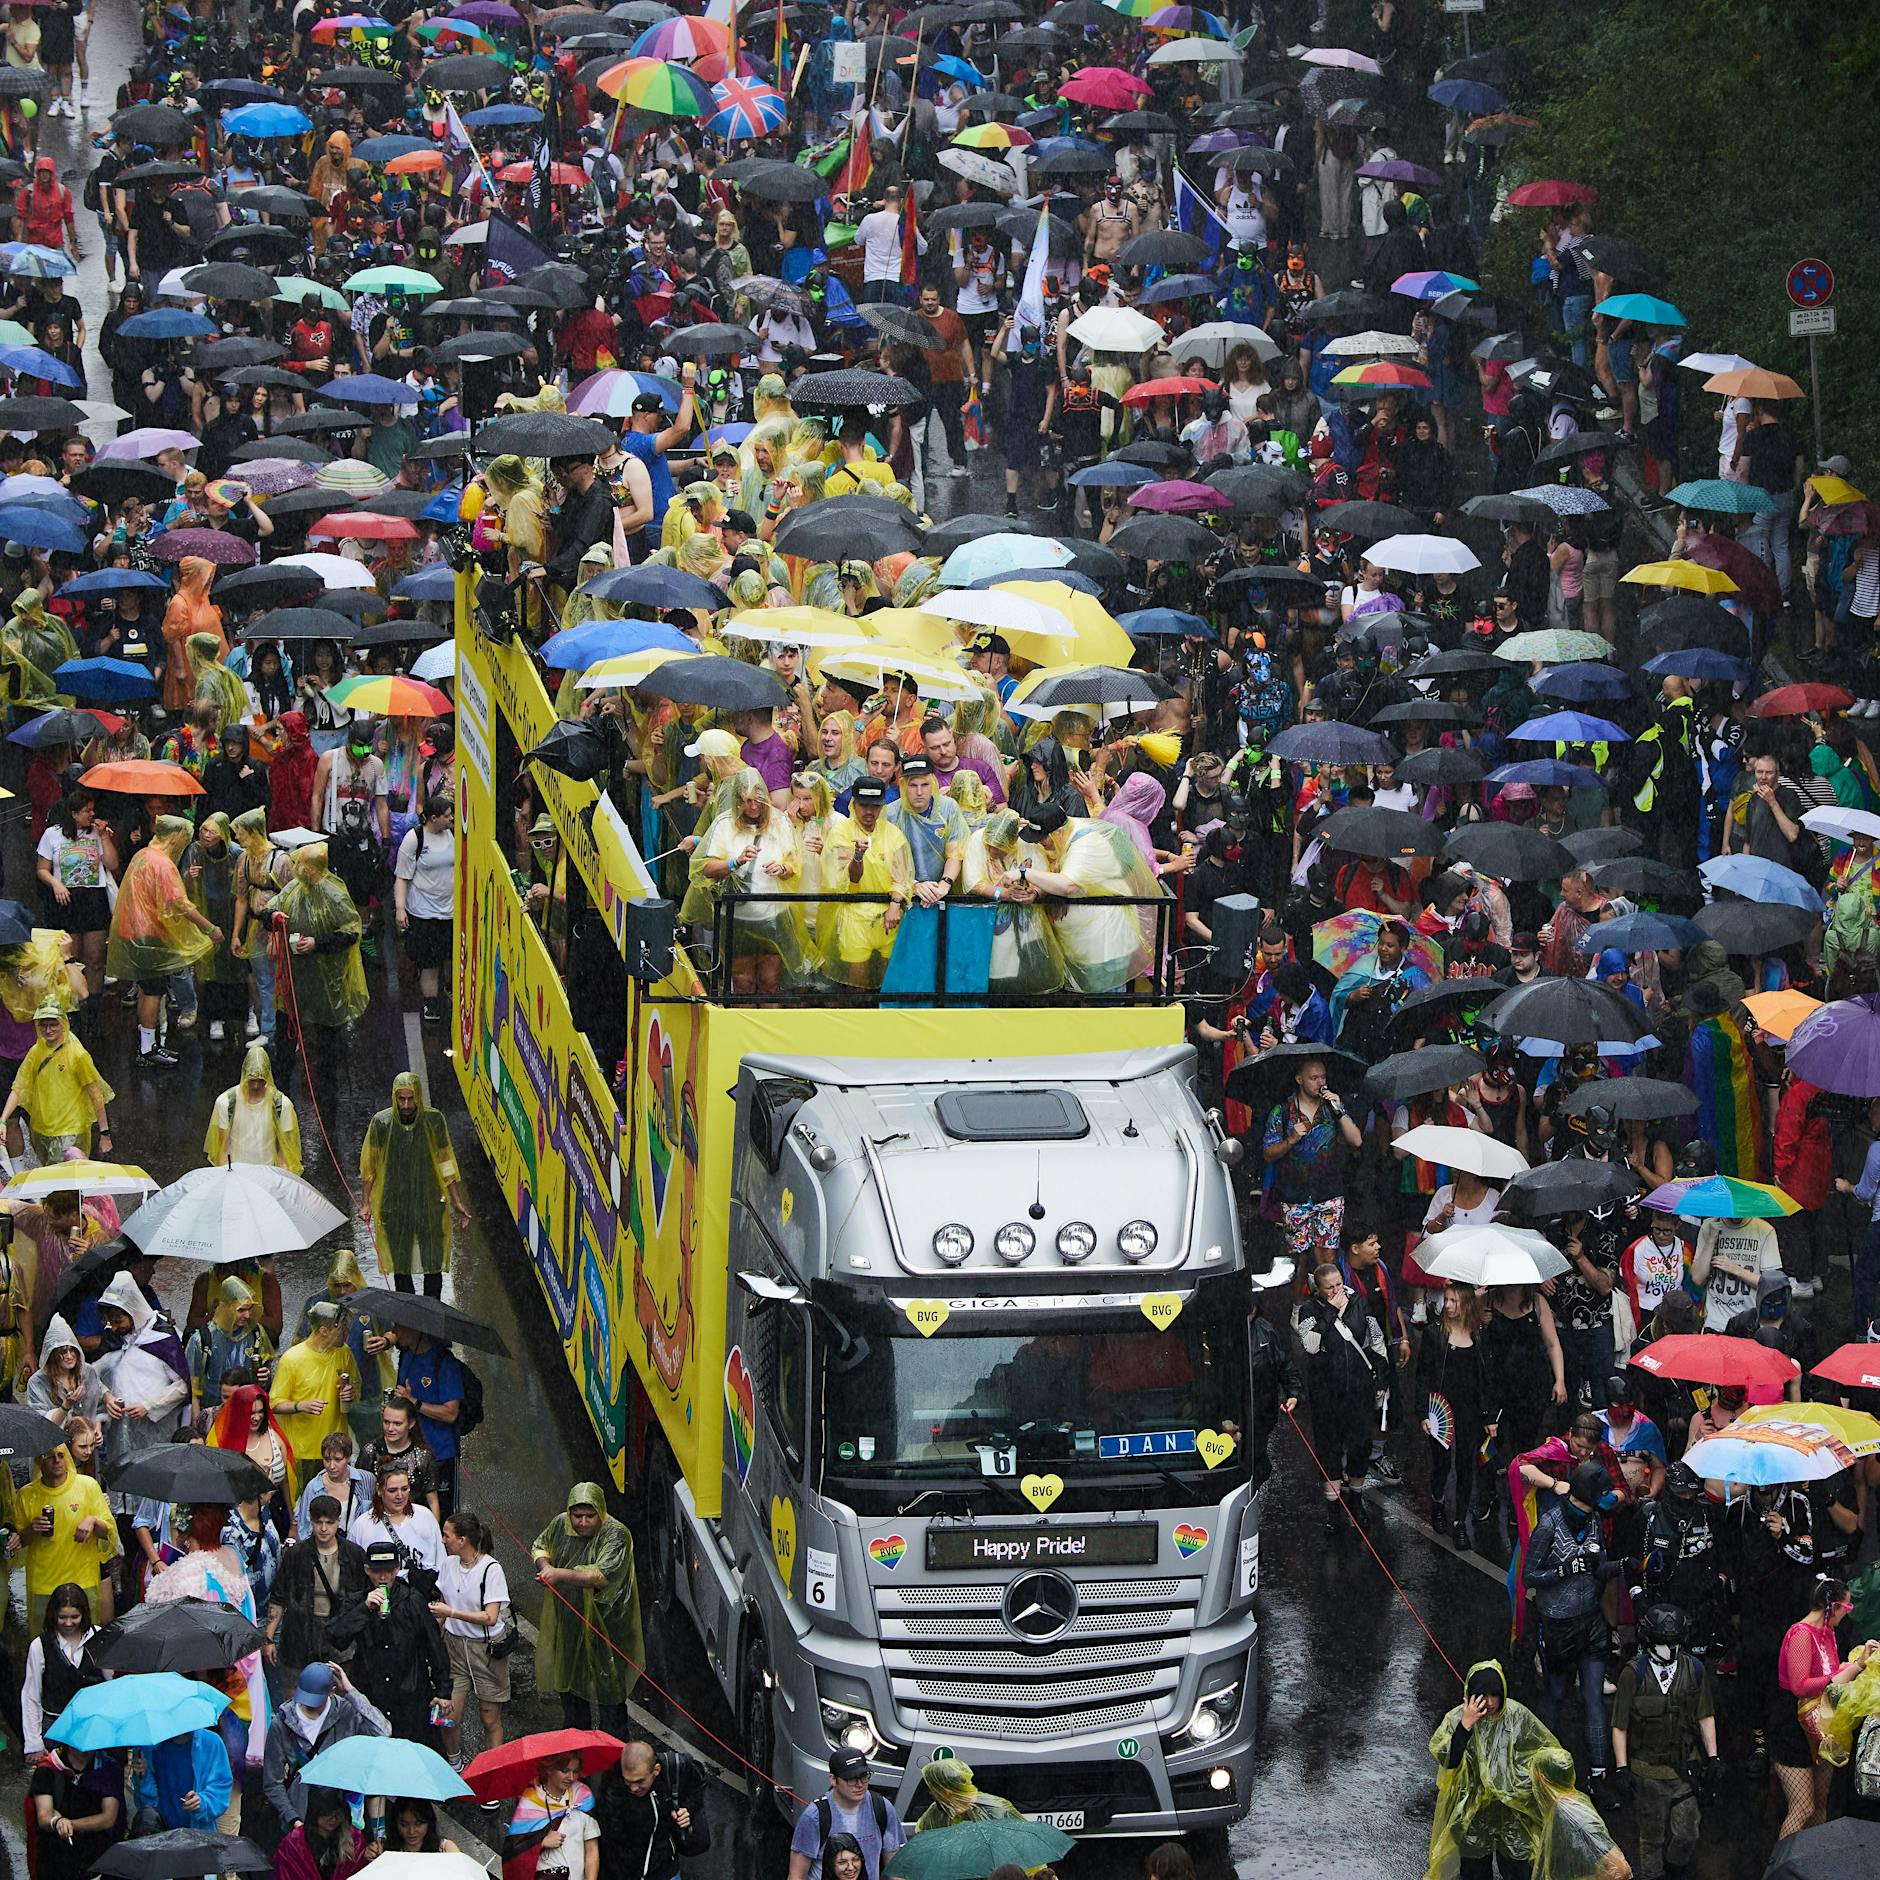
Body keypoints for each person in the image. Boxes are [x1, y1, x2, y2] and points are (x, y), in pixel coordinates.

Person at [1524, 1460, 1622, 1781]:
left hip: (1591, 1623)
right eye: (1603, 1493)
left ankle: (1599, 1775)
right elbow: (1529, 1577)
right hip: (1558, 1625)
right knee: (1555, 1695)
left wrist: (1628, 1565)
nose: (1608, 1499)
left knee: (1593, 1697)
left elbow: (1600, 1567)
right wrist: (1565, 1570)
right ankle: (1541, 1769)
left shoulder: (1594, 1520)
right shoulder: (1549, 1525)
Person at [1608, 1603, 1720, 1880]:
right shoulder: (1632, 1675)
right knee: (1651, 1838)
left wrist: (1714, 1756)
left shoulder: (1694, 1670)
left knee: (1688, 1833)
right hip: (1646, 1772)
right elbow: (1619, 1725)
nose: (1667, 1649)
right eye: (1661, 1643)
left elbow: (1705, 1715)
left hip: (1685, 1769)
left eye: (1672, 1643)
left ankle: (1674, 1868)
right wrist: (1622, 1768)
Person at [1426, 1660, 1563, 1880]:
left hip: (1512, 1812)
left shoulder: (1517, 1715)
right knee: (1475, 1872)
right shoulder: (1456, 1719)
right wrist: (1466, 1726)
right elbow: (1448, 1760)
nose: (1489, 1702)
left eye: (1494, 1695)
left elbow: (1543, 1748)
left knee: (1518, 1870)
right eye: (1482, 1695)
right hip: (1472, 1814)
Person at [530, 1481, 642, 1736]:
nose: (582, 1522)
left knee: (610, 1692)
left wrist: (557, 1573)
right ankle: (576, 1750)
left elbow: (601, 1576)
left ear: (601, 1512)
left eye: (589, 1516)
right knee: (571, 1688)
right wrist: (545, 1565)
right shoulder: (560, 1524)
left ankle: (613, 1755)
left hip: (609, 1626)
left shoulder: (617, 1535)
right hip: (570, 1620)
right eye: (577, 1515)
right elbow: (540, 1545)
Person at [106, 814, 218, 1068]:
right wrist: (209, 928)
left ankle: (148, 1044)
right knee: (153, 991)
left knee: (147, 989)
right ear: (176, 836)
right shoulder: (163, 864)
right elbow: (179, 903)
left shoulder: (143, 855)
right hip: (149, 936)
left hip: (133, 931)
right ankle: (147, 1049)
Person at [1294, 1261, 1389, 1533]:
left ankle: (1357, 1498)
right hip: (1326, 1393)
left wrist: (1381, 1377)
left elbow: (1376, 1340)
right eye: (1330, 1288)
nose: (1337, 1290)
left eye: (1339, 1284)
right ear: (1319, 1290)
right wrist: (1331, 1313)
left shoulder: (1360, 1303)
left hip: (1359, 1390)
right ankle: (1333, 1508)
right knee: (1329, 1448)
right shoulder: (1310, 1311)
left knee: (1360, 1444)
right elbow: (1310, 1345)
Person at [323, 1538, 449, 1743]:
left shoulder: (412, 1599)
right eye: (377, 1571)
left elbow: (434, 1646)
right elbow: (336, 1637)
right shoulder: (356, 1600)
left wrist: (443, 1690)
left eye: (389, 1571)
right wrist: (364, 1609)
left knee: (412, 1751)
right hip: (372, 1691)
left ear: (398, 1569)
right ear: (367, 1570)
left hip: (410, 1693)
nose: (383, 1577)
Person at [359, 1072, 472, 1297]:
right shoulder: (381, 1123)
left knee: (433, 1263)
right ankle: (409, 1321)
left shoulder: (434, 1120)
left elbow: (445, 1161)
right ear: (394, 1098)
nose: (407, 1105)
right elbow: (369, 1167)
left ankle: (432, 1314)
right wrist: (366, 1203)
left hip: (430, 1202)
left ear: (419, 1096)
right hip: (394, 1203)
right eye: (401, 1099)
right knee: (400, 1267)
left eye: (411, 1099)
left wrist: (457, 1201)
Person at [261, 1662, 391, 1837]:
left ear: (332, 1691)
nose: (309, 1705)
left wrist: (351, 1691)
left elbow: (382, 1732)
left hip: (343, 1818)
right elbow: (272, 1783)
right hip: (302, 1820)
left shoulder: (347, 1711)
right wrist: (293, 1819)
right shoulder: (282, 1723)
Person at [431, 1509, 511, 1769]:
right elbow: (443, 1603)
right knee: (449, 1714)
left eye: (447, 1535)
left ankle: (492, 1771)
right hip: (454, 1647)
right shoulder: (448, 1564)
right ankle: (454, 1763)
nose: (443, 1540)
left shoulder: (491, 1569)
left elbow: (490, 1617)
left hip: (485, 1651)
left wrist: (451, 1613)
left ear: (463, 1539)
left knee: (490, 1719)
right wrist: (436, 1633)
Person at [268, 1494, 369, 1687]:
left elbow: (364, 1597)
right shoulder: (296, 1555)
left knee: (342, 1694)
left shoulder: (355, 1554)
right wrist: (269, 1637)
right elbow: (278, 1597)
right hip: (300, 1634)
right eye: (318, 1522)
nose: (323, 1528)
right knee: (295, 1692)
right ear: (311, 1521)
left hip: (340, 1634)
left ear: (338, 1521)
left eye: (329, 1523)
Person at [2, 1002, 111, 1164]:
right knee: (51, 1180)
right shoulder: (35, 1052)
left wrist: (105, 1134)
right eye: (44, 1025)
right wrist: (3, 1120)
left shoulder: (77, 1055)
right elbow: (19, 1087)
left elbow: (96, 1095)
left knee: (66, 1182)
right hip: (41, 1132)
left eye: (53, 1025)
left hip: (70, 1132)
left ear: (63, 1024)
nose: (48, 1030)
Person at [271, 1304, 361, 1494]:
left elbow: (356, 1386)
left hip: (337, 1448)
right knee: (304, 1502)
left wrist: (350, 1394)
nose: (347, 1333)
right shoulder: (292, 1359)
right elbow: (274, 1403)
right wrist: (300, 1405)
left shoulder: (343, 1353)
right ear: (324, 1331)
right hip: (303, 1451)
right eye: (342, 1329)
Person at [591, 1738, 711, 1880]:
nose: (633, 1788)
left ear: (656, 1770)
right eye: (627, 1781)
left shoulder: (673, 1769)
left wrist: (686, 1810)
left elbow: (697, 1785)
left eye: (640, 1781)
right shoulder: (611, 1790)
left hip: (665, 1871)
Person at [786, 1748, 908, 1880]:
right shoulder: (815, 1817)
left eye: (864, 1777)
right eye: (851, 1779)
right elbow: (796, 1875)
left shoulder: (882, 1807)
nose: (859, 1784)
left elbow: (895, 1870)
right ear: (833, 1780)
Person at [20, 1580, 105, 1757]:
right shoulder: (40, 1646)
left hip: (92, 1729)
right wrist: (34, 1743)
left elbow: (113, 1686)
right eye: (62, 1617)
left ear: (84, 1614)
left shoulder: (100, 1637)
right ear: (53, 1615)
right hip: (55, 1729)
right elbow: (31, 1695)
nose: (68, 1623)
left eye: (74, 1617)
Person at [392, 790, 454, 1025]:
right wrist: (400, 909)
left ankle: (448, 990)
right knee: (429, 963)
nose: (451, 819)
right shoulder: (414, 839)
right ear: (433, 818)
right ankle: (431, 1003)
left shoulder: (453, 836)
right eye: (447, 816)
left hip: (450, 912)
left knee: (449, 957)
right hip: (424, 913)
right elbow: (402, 877)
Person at [29, 1735, 122, 1880]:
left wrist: (70, 1824)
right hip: (53, 1857)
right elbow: (44, 1816)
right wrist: (58, 1822)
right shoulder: (47, 1769)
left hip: (93, 1856)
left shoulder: (108, 1769)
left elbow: (108, 1818)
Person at [204, 1045, 303, 1173]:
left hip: (268, 1174)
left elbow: (285, 1151)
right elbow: (222, 1148)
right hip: (236, 1175)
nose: (256, 1086)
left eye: (260, 1080)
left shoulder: (282, 1104)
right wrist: (226, 1175)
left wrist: (280, 1179)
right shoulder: (225, 1102)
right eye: (252, 1080)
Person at [504, 1749, 600, 1880]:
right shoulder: (530, 1800)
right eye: (565, 1771)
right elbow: (513, 1850)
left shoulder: (583, 1796)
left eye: (575, 1771)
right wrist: (541, 1842)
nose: (571, 1777)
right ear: (549, 1768)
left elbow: (592, 1849)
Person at [347, 1464, 444, 1588]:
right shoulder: (362, 1525)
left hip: (419, 1598)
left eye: (404, 1489)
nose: (400, 1496)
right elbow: (354, 1573)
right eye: (392, 1490)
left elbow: (441, 1564)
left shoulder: (425, 1517)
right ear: (379, 1490)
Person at [130, 1723, 232, 1831]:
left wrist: (202, 1801)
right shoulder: (149, 1747)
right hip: (160, 1832)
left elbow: (221, 1787)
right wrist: (143, 1777)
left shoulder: (211, 1742)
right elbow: (144, 1804)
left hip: (199, 1834)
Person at [272, 1786, 372, 1880]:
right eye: (326, 1814)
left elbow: (362, 1870)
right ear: (315, 1813)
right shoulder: (293, 1843)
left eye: (338, 1814)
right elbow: (284, 1872)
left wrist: (369, 1857)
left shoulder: (355, 1838)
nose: (333, 1819)